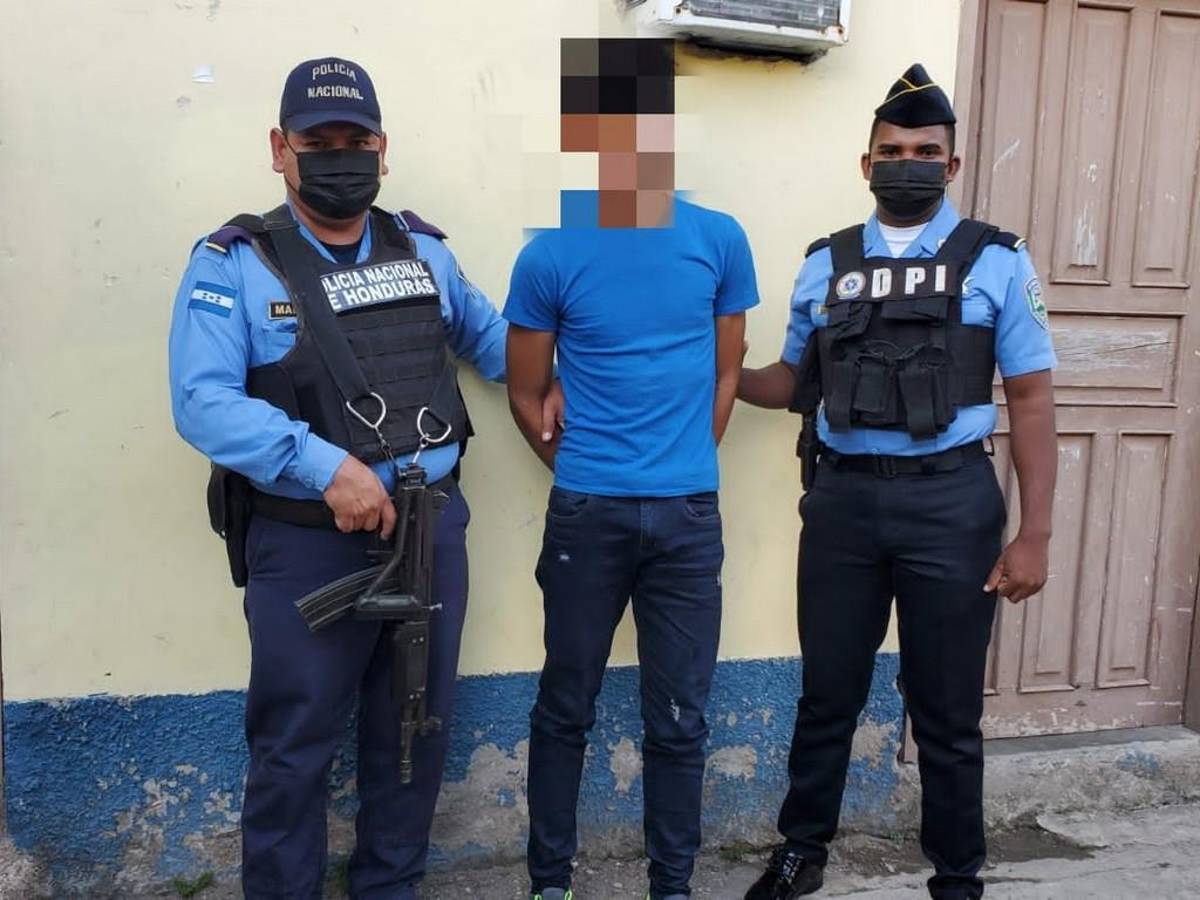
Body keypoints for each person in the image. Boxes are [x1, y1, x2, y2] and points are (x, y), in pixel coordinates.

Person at [168, 56, 556, 899]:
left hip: (431, 530)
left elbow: (492, 341)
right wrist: (325, 466)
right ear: (280, 149)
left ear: (384, 148)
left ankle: (389, 888)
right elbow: (202, 403)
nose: (339, 157)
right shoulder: (235, 262)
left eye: (356, 140)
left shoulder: (423, 251)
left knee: (414, 731)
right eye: (318, 143)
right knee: (293, 746)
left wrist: (559, 382)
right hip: (310, 543)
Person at [739, 64, 1058, 900]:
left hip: (950, 504)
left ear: (952, 165)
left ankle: (957, 876)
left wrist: (1033, 534)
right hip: (843, 502)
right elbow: (791, 382)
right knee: (827, 694)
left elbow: (1030, 400)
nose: (906, 164)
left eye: (924, 152)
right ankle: (801, 851)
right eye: (891, 151)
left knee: (947, 710)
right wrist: (715, 364)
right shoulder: (827, 263)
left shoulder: (996, 260)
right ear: (866, 162)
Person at [504, 36, 760, 900]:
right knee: (564, 706)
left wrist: (684, 462)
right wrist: (583, 468)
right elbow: (526, 390)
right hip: (588, 514)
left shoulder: (719, 240)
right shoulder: (549, 254)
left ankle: (671, 887)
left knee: (680, 720)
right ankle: (550, 884)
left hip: (687, 519)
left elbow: (726, 373)